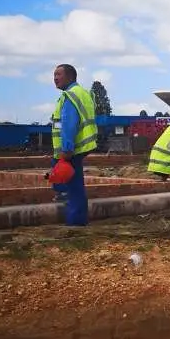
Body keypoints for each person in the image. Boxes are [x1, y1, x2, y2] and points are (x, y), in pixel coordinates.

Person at [50, 63, 98, 226]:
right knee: (69, 182)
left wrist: (67, 149)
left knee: (74, 187)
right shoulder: (82, 93)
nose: (55, 78)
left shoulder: (70, 96)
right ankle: (63, 197)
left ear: (70, 76)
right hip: (78, 148)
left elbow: (69, 125)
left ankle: (76, 222)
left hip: (71, 149)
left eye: (58, 74)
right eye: (54, 75)